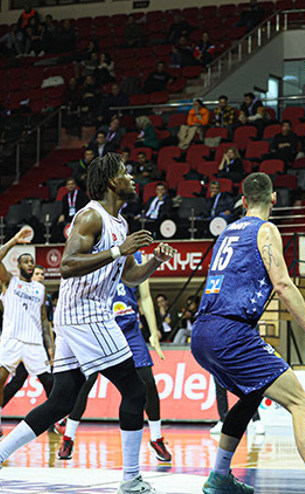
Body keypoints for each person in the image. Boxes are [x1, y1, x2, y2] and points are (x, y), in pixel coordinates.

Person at [0, 154, 176, 493]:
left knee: (62, 400)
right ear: (112, 181)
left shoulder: (121, 223)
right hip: (86, 313)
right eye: (126, 172)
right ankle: (131, 479)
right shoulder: (91, 215)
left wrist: (154, 260)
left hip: (75, 316)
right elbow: (66, 265)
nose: (133, 178)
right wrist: (115, 251)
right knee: (135, 389)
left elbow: (131, 277)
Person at [190, 172, 305, 494]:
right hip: (231, 331)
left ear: (243, 200)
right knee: (302, 403)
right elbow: (283, 285)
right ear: (274, 199)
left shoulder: (226, 232)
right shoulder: (267, 229)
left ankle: (219, 476)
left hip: (202, 331)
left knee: (251, 395)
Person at [57, 262, 172, 462]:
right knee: (86, 384)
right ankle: (68, 436)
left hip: (129, 328)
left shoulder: (137, 255)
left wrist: (153, 332)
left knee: (148, 383)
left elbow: (145, 297)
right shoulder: (99, 251)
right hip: (100, 326)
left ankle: (156, 437)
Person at [0, 228, 55, 435]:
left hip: (33, 342)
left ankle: (54, 419)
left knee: (49, 382)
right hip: (11, 339)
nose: (30, 265)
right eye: (26, 262)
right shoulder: (10, 282)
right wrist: (14, 240)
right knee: (2, 380)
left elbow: (43, 319)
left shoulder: (40, 289)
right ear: (18, 265)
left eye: (32, 262)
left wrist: (50, 346)